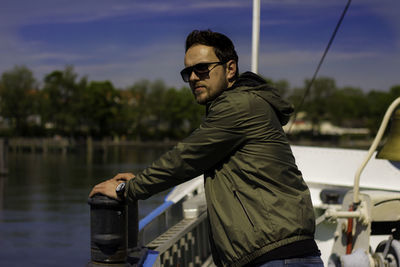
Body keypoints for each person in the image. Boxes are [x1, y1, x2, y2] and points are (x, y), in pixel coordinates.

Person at [89, 29, 323, 267]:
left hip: (277, 257)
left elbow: (184, 159)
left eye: (201, 68)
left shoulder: (238, 106)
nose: (193, 78)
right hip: (277, 254)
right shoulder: (241, 105)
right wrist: (137, 180)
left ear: (230, 68)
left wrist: (124, 190)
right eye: (187, 72)